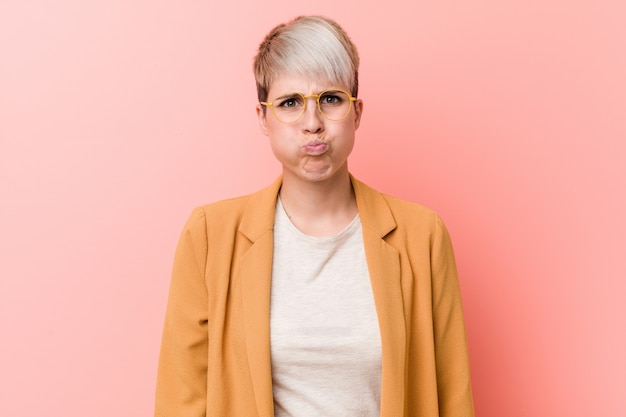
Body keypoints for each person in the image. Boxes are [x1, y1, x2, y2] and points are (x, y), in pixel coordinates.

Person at [155, 15, 474, 417]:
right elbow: (180, 401)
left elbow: (452, 395)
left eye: (331, 99)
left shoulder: (422, 236)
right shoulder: (209, 237)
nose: (313, 124)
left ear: (356, 113)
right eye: (290, 103)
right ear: (262, 117)